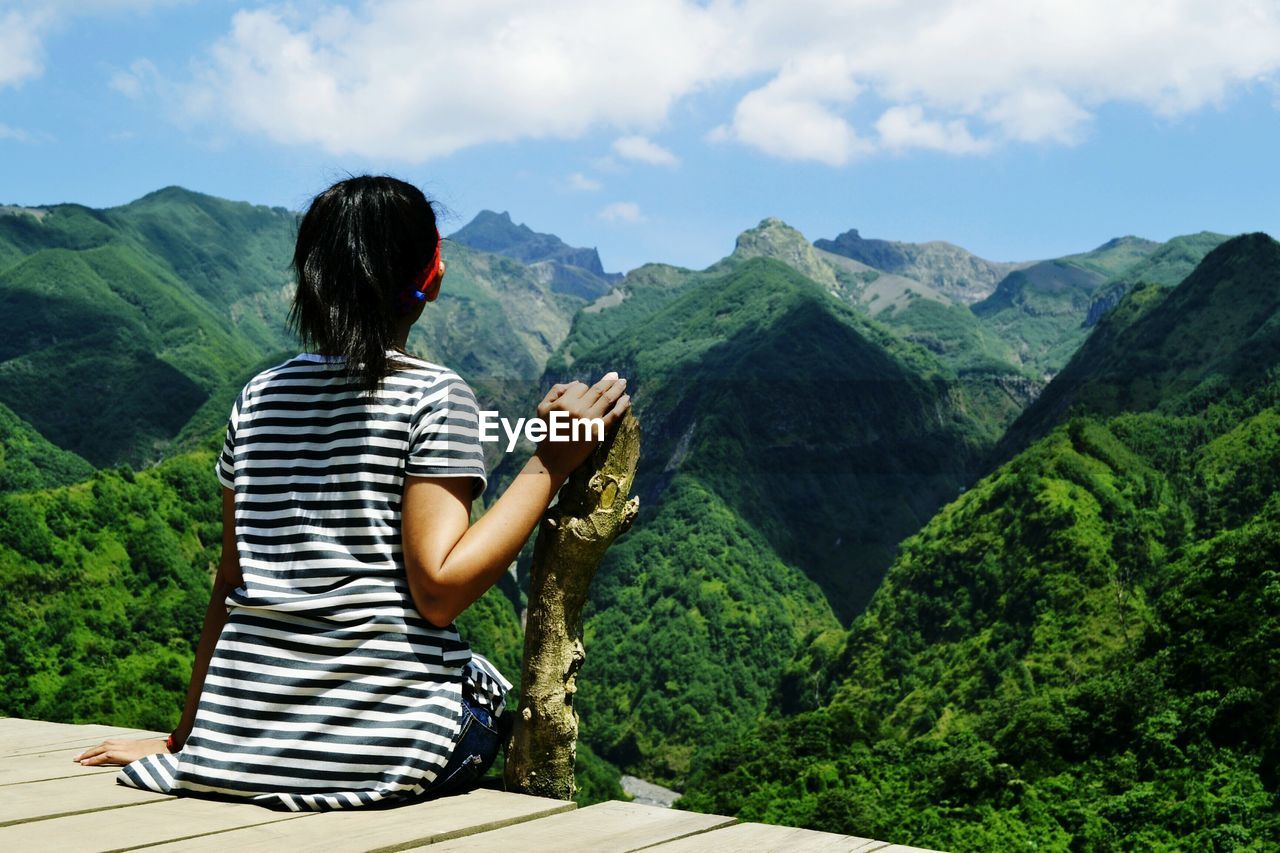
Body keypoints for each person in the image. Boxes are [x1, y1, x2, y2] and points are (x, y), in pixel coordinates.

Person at [72, 175, 630, 811]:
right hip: (392, 750)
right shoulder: (437, 397)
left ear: (311, 285)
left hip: (242, 746)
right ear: (434, 278)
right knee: (485, 702)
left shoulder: (257, 399)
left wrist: (188, 740)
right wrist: (552, 460)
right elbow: (440, 590)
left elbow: (231, 581)